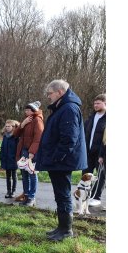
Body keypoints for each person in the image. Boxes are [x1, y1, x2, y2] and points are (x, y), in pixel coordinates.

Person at [38, 79, 87, 241]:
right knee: (60, 194)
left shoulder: (68, 109)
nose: (48, 97)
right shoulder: (62, 107)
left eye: (50, 93)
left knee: (63, 194)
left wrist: (56, 158)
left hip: (62, 161)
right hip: (59, 161)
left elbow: (69, 139)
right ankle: (61, 227)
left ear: (60, 92)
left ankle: (66, 230)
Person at [13, 101, 44, 207]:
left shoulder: (37, 120)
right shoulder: (27, 120)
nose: (26, 112)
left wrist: (32, 152)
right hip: (23, 151)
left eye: (28, 110)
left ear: (33, 110)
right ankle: (26, 196)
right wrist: (23, 124)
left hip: (31, 152)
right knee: (24, 174)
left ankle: (31, 198)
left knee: (32, 173)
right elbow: (15, 134)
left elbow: (38, 138)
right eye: (25, 110)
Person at [83, 94, 106, 206]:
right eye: (94, 103)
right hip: (88, 152)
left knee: (101, 175)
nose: (95, 105)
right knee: (86, 173)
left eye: (98, 103)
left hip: (101, 154)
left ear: (105, 104)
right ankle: (86, 195)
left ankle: (97, 197)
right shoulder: (91, 117)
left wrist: (102, 155)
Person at [0, 120, 20, 199]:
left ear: (13, 127)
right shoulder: (5, 136)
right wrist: (1, 156)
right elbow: (2, 147)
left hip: (13, 159)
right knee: (8, 176)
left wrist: (16, 158)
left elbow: (18, 149)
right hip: (6, 159)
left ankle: (13, 191)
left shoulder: (16, 137)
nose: (7, 128)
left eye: (9, 126)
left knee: (14, 176)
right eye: (6, 126)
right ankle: (8, 191)